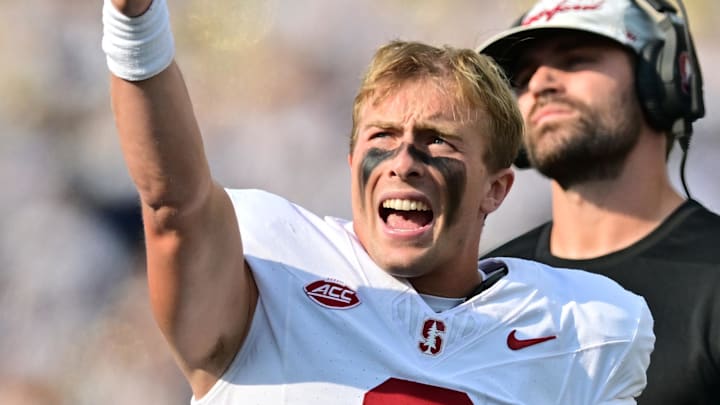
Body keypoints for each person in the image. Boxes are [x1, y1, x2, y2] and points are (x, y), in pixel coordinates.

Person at [102, 0, 655, 403]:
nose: (404, 160)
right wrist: (136, 20)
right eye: (382, 137)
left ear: (496, 188)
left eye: (438, 139)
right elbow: (175, 202)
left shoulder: (585, 329)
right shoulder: (269, 270)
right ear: (352, 166)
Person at [478, 0, 720, 404]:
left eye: (574, 60)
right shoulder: (487, 286)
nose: (539, 84)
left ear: (659, 82)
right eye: (522, 76)